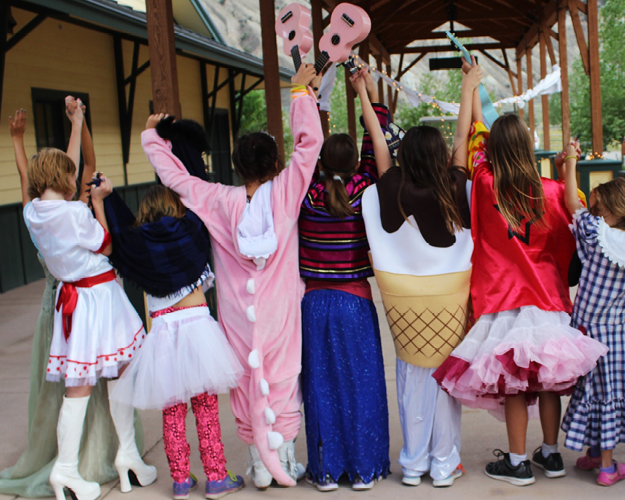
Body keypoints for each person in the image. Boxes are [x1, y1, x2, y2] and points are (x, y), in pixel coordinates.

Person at [144, 63, 322, 489]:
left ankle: (258, 464)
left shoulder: (217, 200)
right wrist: (300, 93)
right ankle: (284, 459)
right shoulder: (286, 190)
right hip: (280, 314)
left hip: (238, 320)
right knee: (282, 380)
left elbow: (176, 177)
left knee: (244, 384)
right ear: (275, 162)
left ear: (237, 166)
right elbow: (310, 144)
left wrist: (153, 137)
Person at [433, 62, 607, 487]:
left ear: (492, 150)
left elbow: (468, 141)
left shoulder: (488, 184)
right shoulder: (550, 191)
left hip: (505, 302)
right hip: (547, 302)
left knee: (513, 385)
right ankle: (550, 454)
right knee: (547, 383)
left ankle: (515, 461)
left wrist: (470, 87)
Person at [0, 104, 139, 498]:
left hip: (69, 304)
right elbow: (107, 244)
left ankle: (69, 468)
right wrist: (98, 203)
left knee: (77, 387)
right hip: (98, 299)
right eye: (69, 173)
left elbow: (35, 177)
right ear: (62, 177)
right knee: (119, 371)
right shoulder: (76, 214)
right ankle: (120, 454)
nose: (75, 175)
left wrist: (75, 125)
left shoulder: (32, 214)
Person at [103, 117, 245, 499]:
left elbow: (116, 237)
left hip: (163, 333)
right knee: (206, 406)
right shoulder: (194, 229)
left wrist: (107, 198)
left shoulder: (138, 245)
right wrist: (178, 147)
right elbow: (196, 188)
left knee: (172, 412)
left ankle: (181, 481)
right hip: (199, 327)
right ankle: (216, 477)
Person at [361, 65, 474, 488]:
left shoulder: (391, 186)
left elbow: (377, 141)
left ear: (405, 157)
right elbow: (463, 140)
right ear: (439, 155)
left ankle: (413, 464)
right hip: (449, 301)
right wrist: (468, 86)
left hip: (403, 304)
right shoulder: (453, 186)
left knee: (411, 378)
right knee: (444, 379)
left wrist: (363, 93)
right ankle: (443, 465)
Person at [299, 68, 391, 492]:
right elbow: (379, 139)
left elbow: (303, 150)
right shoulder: (364, 187)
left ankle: (327, 471)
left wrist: (311, 96)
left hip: (314, 305)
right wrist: (366, 91)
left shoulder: (303, 193)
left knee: (321, 386)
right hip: (355, 302)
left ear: (319, 162)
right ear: (355, 162)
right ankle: (364, 470)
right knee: (362, 385)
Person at [560, 139, 625, 487]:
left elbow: (572, 202)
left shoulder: (595, 236)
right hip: (618, 334)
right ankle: (598, 459)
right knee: (608, 393)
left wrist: (571, 161)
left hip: (585, 331)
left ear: (612, 211)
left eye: (599, 208)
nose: (592, 213)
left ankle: (603, 464)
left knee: (592, 392)